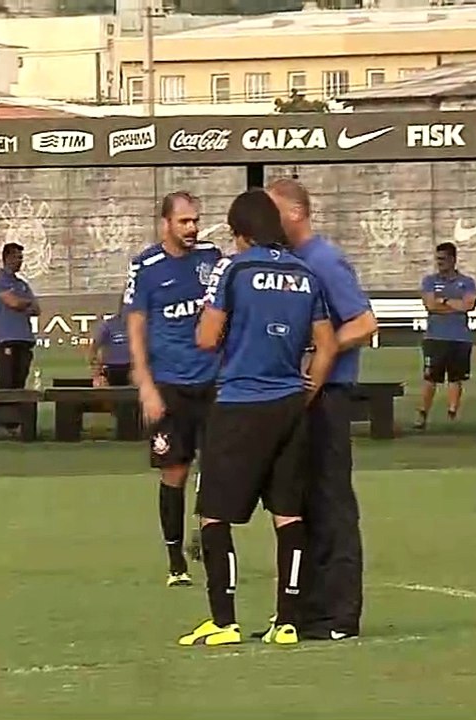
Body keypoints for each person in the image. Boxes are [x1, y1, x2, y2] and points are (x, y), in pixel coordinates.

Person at [178, 189, 339, 648]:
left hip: (240, 403)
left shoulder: (234, 267)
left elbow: (207, 338)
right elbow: (326, 345)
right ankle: (286, 622)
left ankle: (223, 621)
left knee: (214, 515)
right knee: (288, 515)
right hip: (290, 404)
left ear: (240, 232)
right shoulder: (304, 273)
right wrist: (306, 390)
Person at [268, 177, 377, 642]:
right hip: (300, 395)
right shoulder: (287, 264)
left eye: (272, 211)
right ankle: (305, 611)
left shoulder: (325, 260)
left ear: (294, 212)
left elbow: (365, 322)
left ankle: (340, 615)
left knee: (332, 502)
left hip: (329, 394)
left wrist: (323, 349)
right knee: (300, 503)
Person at [124, 191, 221, 588]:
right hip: (170, 383)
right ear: (166, 224)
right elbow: (135, 326)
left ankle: (211, 540)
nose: (193, 228)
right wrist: (145, 384)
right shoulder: (146, 267)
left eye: (196, 220)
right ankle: (175, 559)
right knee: (174, 470)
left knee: (217, 467)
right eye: (184, 222)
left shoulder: (213, 258)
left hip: (213, 377)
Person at [414, 242, 476, 430]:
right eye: (437, 259)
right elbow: (431, 306)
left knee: (456, 378)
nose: (439, 263)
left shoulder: (467, 281)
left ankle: (452, 414)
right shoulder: (429, 281)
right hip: (435, 337)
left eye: (443, 259)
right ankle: (422, 413)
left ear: (453, 259)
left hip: (460, 338)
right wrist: (453, 306)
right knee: (430, 377)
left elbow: (468, 305)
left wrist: (445, 301)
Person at [0, 242, 39, 431]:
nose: (20, 261)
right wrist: (24, 303)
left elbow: (36, 309)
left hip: (25, 338)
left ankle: (14, 421)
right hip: (7, 338)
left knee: (19, 380)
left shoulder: (21, 284)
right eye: (17, 257)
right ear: (7, 257)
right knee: (6, 380)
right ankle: (0, 421)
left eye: (21, 258)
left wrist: (23, 303)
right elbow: (13, 303)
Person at [90, 307, 131, 387]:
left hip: (131, 369)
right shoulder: (108, 325)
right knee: (101, 385)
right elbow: (93, 349)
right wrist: (98, 375)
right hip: (110, 368)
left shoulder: (139, 326)